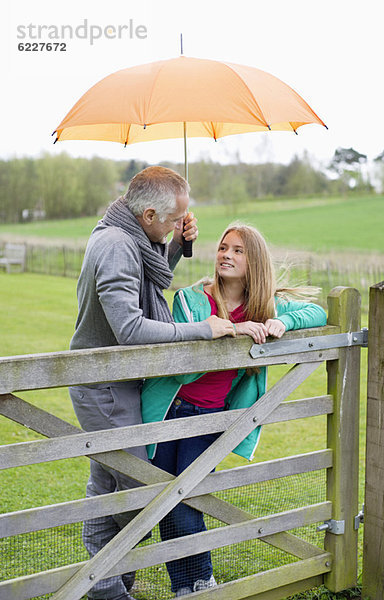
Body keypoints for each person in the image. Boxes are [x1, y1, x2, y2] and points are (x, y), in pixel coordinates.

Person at [68, 166, 235, 600]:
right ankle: (104, 578)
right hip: (103, 387)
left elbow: (150, 276)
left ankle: (108, 581)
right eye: (172, 219)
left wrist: (179, 244)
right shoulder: (117, 246)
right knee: (139, 485)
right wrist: (203, 328)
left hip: (120, 383)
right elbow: (131, 329)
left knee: (109, 484)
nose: (179, 223)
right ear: (146, 214)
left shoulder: (127, 236)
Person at [141, 223, 327, 597]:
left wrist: (282, 321)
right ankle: (147, 580)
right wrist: (226, 331)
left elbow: (315, 313)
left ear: (253, 260)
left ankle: (197, 583)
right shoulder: (191, 299)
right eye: (224, 247)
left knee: (184, 500)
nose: (226, 254)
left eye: (238, 250)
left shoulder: (264, 305)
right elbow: (186, 367)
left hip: (212, 418)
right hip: (169, 410)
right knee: (157, 500)